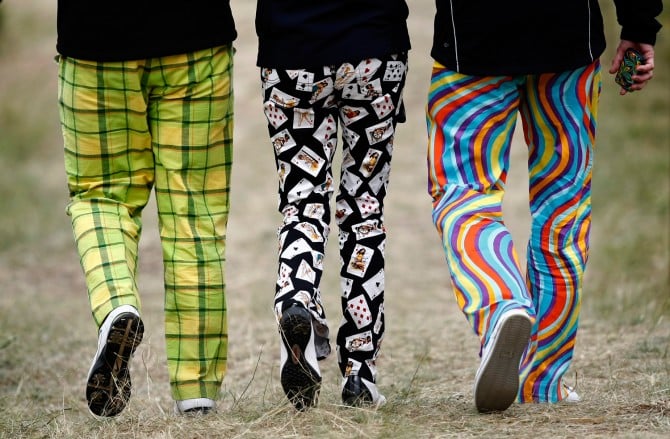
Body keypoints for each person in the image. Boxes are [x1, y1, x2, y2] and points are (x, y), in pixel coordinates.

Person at [425, 0, 662, 413]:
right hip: (569, 44)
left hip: (471, 47)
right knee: (563, 211)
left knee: (464, 196)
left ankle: (501, 302)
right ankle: (545, 379)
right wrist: (639, 22)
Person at [56, 1, 236, 417]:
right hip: (197, 38)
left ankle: (117, 306)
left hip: (93, 42)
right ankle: (197, 389)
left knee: (100, 197)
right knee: (195, 212)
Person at [255, 1, 411, 410]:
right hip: (375, 50)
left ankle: (298, 301)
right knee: (364, 208)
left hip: (292, 50)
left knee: (302, 199)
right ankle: (360, 373)